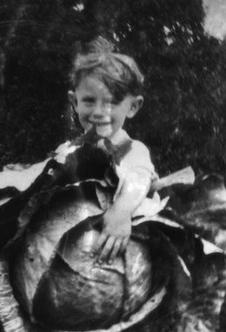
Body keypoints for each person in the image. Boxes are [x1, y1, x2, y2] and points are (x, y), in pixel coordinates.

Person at [63, 41, 156, 264]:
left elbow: (140, 177)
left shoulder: (133, 149)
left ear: (133, 107)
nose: (98, 112)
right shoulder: (69, 149)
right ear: (74, 102)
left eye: (111, 103)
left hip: (120, 244)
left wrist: (121, 212)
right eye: (88, 101)